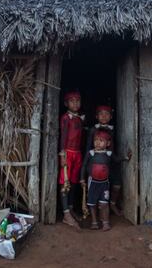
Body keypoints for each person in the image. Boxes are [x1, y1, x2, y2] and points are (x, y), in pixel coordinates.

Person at [80, 130, 131, 231]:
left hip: (104, 183)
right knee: (92, 203)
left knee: (104, 203)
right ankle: (94, 222)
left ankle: (105, 222)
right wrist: (82, 178)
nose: (98, 143)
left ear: (108, 143)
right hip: (92, 182)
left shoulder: (108, 154)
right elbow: (84, 165)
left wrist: (125, 157)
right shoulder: (90, 153)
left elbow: (116, 160)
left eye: (101, 140)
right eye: (95, 140)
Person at [85, 105, 123, 216]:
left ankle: (112, 203)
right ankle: (96, 216)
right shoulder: (93, 130)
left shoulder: (113, 129)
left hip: (111, 159)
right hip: (97, 161)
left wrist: (122, 157)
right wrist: (88, 164)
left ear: (111, 116)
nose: (104, 116)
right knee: (96, 186)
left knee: (117, 184)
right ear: (96, 116)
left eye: (106, 114)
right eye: (101, 114)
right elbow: (88, 147)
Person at [59, 91, 84, 229]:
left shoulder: (79, 119)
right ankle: (66, 214)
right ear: (66, 103)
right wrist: (62, 155)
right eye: (72, 101)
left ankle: (70, 207)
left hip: (78, 154)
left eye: (78, 100)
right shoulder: (65, 118)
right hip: (67, 153)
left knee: (73, 182)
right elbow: (63, 136)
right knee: (65, 182)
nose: (75, 103)